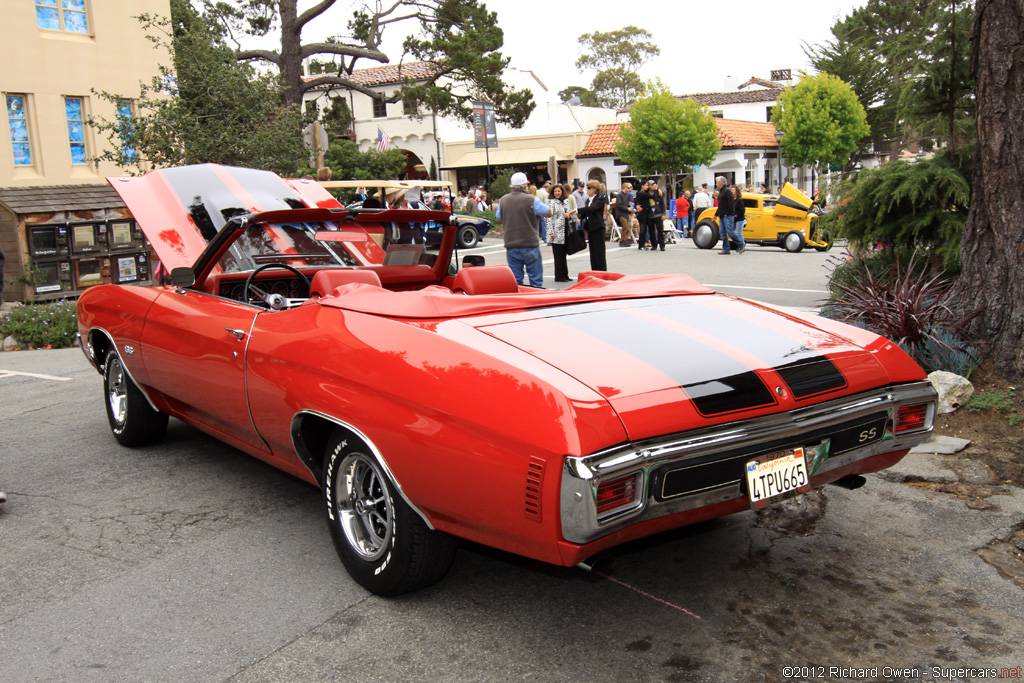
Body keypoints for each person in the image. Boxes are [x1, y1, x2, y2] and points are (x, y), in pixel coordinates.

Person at [495, 172, 551, 287]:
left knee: (516, 282)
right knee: (536, 281)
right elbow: (548, 213)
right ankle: (536, 302)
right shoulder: (531, 199)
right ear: (525, 185)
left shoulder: (504, 200)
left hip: (511, 244)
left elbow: (498, 219)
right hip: (530, 243)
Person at [576, 179, 608, 271]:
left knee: (599, 253)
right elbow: (586, 212)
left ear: (594, 189)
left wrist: (577, 210)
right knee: (593, 252)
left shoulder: (600, 198)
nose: (587, 190)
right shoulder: (588, 200)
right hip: (590, 227)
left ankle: (602, 272)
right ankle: (594, 270)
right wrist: (577, 216)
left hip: (598, 228)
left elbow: (592, 209)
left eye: (589, 188)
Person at [545, 184, 572, 283]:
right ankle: (559, 276)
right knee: (558, 255)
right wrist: (551, 231)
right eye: (555, 191)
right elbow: (548, 218)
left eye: (559, 191)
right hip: (556, 232)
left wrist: (568, 215)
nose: (557, 193)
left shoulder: (565, 202)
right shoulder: (551, 203)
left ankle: (565, 274)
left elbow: (568, 213)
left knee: (564, 254)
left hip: (565, 230)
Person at [715, 176, 743, 254]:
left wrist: (728, 213)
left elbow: (731, 203)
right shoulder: (721, 191)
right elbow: (721, 205)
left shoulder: (727, 191)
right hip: (722, 215)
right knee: (722, 232)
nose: (716, 184)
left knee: (730, 231)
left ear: (721, 183)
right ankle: (726, 248)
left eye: (717, 182)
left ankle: (741, 243)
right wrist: (716, 214)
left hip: (727, 215)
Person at [645, 179, 666, 251]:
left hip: (658, 214)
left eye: (654, 184)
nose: (653, 186)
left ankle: (662, 245)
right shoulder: (646, 193)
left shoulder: (658, 193)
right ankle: (654, 245)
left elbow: (663, 203)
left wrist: (663, 214)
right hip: (649, 214)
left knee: (660, 230)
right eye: (651, 185)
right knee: (651, 231)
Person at [614, 182, 634, 247]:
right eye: (628, 187)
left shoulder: (625, 195)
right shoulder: (620, 195)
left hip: (625, 213)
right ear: (624, 187)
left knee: (627, 228)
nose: (629, 189)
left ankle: (625, 241)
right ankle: (622, 241)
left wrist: (629, 207)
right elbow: (619, 205)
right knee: (625, 227)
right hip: (621, 213)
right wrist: (627, 208)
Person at [634, 179, 651, 250]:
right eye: (646, 185)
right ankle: (641, 244)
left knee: (644, 229)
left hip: (645, 213)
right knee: (643, 228)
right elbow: (651, 196)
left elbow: (636, 202)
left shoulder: (640, 193)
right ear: (642, 186)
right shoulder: (642, 193)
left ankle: (643, 243)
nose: (648, 187)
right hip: (642, 214)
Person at [733, 184, 748, 250]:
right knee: (732, 231)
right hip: (733, 218)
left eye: (733, 190)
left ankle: (741, 244)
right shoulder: (732, 199)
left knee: (739, 232)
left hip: (739, 218)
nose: (732, 191)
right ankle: (739, 244)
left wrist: (737, 214)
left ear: (736, 191)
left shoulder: (739, 200)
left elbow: (743, 210)